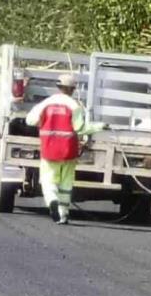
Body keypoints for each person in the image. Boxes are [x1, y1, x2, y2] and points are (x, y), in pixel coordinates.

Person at [24, 72, 103, 225]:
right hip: (69, 150)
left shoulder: (46, 103)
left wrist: (44, 122)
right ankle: (63, 213)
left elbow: (30, 120)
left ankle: (52, 200)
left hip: (49, 149)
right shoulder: (75, 106)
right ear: (73, 89)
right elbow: (80, 128)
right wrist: (99, 126)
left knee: (48, 180)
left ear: (58, 87)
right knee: (66, 184)